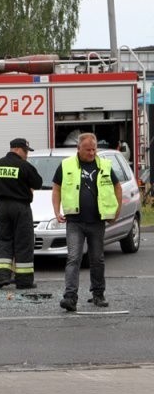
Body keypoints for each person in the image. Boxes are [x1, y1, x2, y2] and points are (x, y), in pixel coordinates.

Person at [52, 132, 122, 312]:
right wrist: (56, 210)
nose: (92, 153)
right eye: (87, 149)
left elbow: (117, 187)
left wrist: (116, 211)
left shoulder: (104, 165)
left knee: (97, 259)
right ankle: (70, 297)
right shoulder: (66, 165)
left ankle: (98, 294)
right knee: (73, 258)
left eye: (94, 149)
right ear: (78, 148)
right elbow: (57, 188)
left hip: (97, 221)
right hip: (75, 221)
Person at [0, 138, 43, 289]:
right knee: (23, 242)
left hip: (1, 207)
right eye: (26, 151)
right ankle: (24, 280)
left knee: (3, 240)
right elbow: (38, 183)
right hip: (21, 207)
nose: (27, 155)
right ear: (20, 149)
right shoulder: (24, 166)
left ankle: (1, 278)